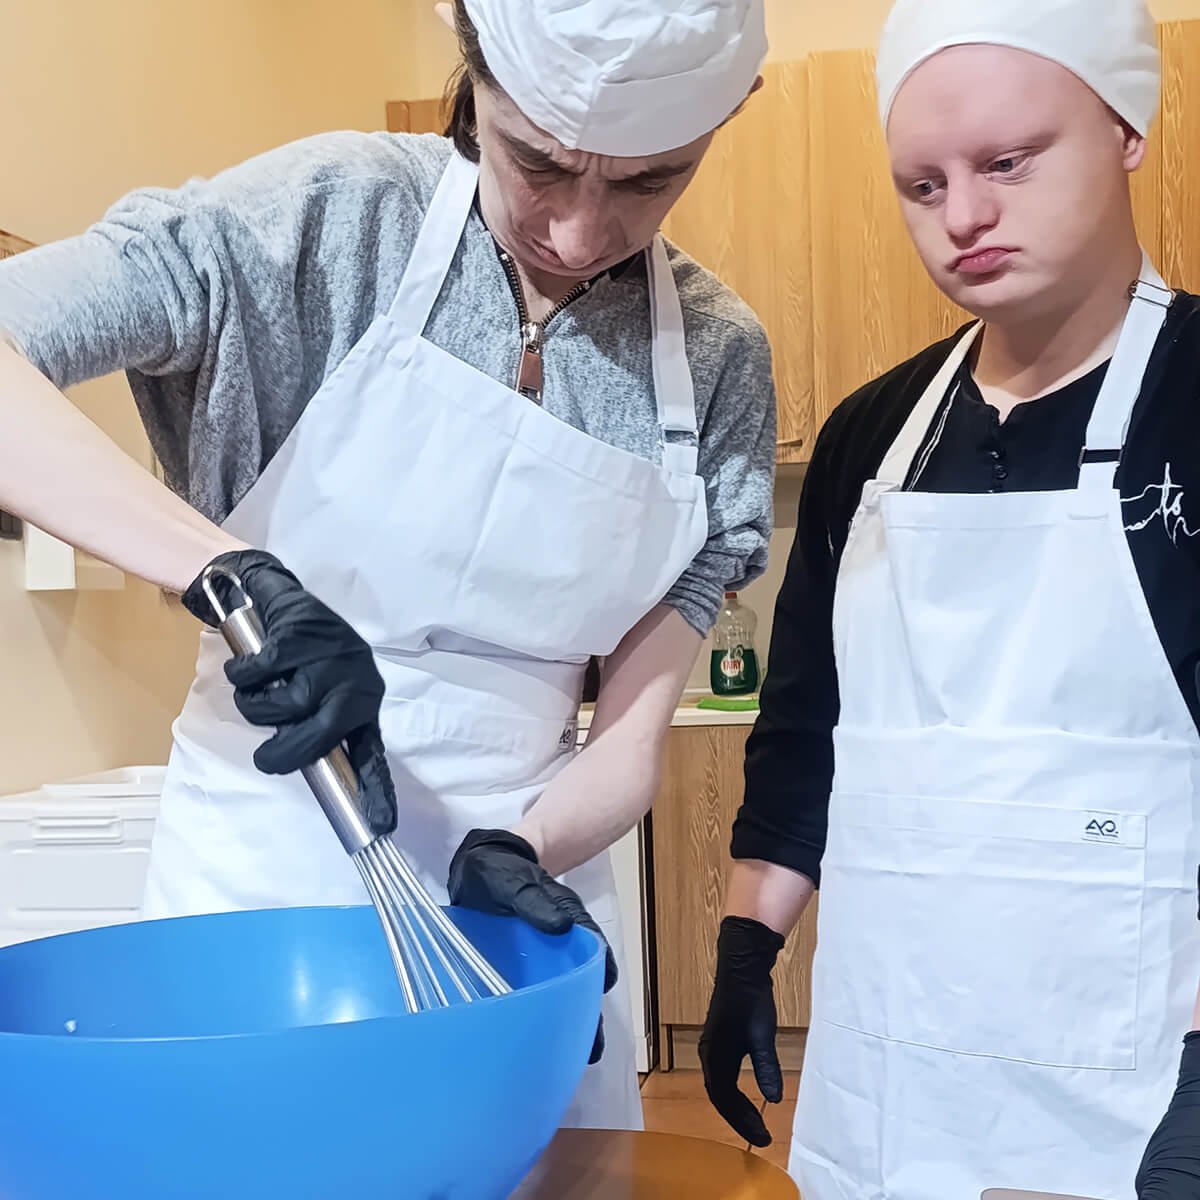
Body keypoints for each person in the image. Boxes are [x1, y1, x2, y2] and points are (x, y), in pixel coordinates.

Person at [0, 0, 776, 1132]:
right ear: (474, 74)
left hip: (519, 893)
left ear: (729, 117)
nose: (576, 233)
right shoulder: (327, 220)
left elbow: (629, 740)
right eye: (539, 162)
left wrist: (524, 848)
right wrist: (238, 578)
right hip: (263, 876)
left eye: (649, 180)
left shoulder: (717, 356)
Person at [697, 0, 1200, 1195]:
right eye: (922, 186)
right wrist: (746, 948)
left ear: (1126, 127)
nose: (962, 216)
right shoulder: (871, 437)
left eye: (1007, 163)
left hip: (1144, 1059)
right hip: (897, 1066)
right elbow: (806, 730)